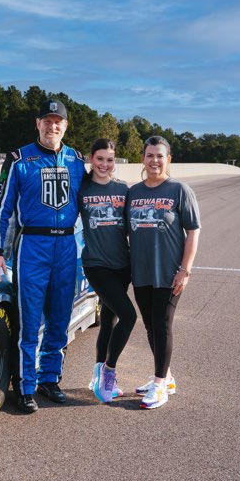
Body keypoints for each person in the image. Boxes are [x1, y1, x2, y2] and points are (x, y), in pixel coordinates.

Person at [0, 99, 86, 414]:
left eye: (58, 121)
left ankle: (49, 378)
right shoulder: (18, 159)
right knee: (29, 321)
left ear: (65, 126)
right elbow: (0, 208)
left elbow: (91, 202)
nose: (52, 126)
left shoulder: (76, 160)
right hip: (33, 245)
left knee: (59, 319)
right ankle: (26, 386)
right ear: (38, 123)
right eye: (47, 120)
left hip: (67, 247)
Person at [128, 136, 200, 409]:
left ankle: (160, 385)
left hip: (169, 273)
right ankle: (165, 376)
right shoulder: (134, 192)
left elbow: (193, 231)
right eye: (149, 155)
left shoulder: (179, 190)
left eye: (160, 156)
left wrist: (185, 270)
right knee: (149, 325)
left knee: (162, 325)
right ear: (142, 159)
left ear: (168, 159)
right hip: (141, 272)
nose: (154, 161)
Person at [78, 138, 138, 404]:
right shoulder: (81, 189)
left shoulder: (124, 189)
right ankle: (108, 373)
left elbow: (133, 227)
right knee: (128, 316)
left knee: (109, 321)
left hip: (122, 265)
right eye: (100, 158)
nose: (104, 164)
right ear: (92, 159)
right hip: (96, 264)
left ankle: (95, 373)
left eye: (110, 159)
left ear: (115, 161)